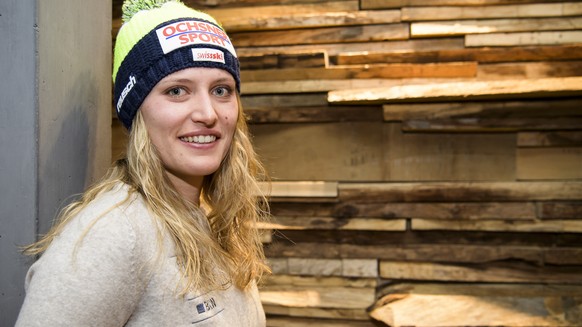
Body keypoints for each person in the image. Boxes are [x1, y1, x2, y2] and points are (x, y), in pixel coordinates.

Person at [16, 0, 270, 325]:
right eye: (177, 91)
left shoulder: (209, 222)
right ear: (137, 112)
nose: (208, 113)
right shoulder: (116, 235)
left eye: (221, 90)